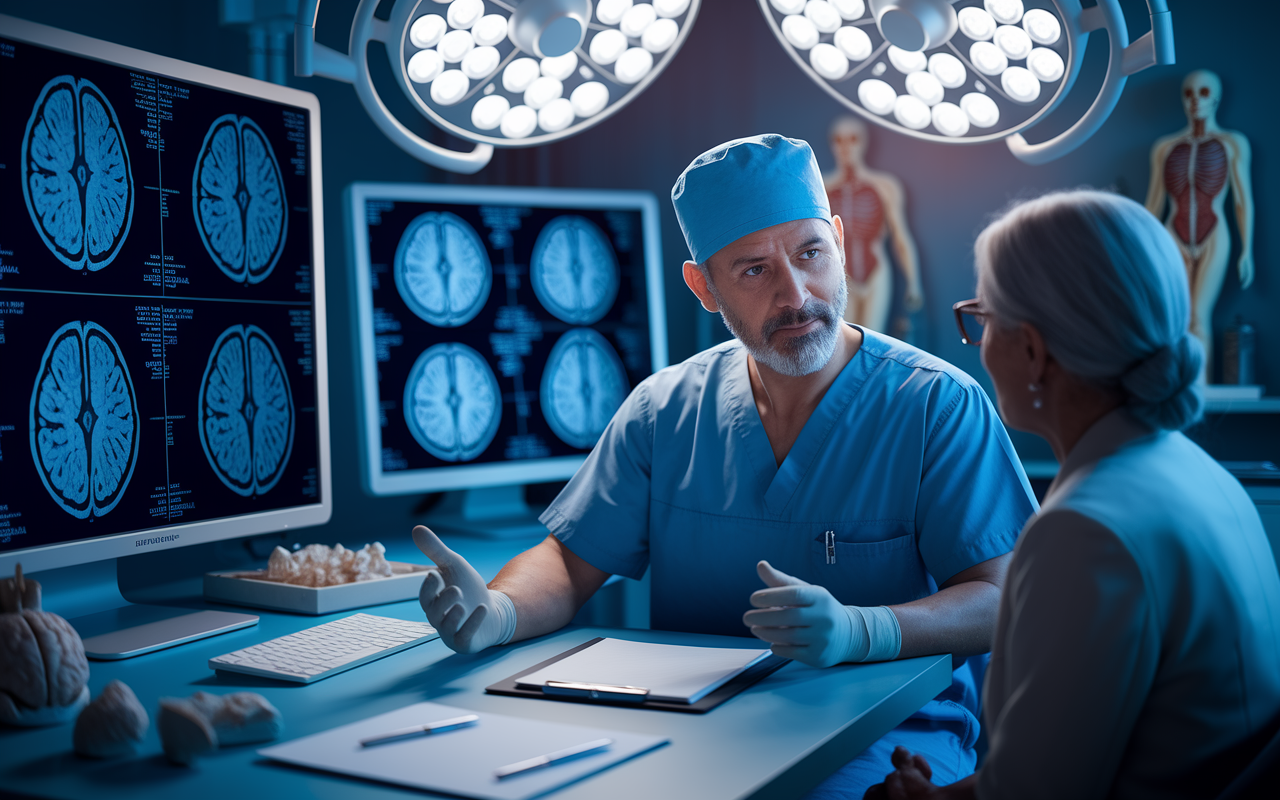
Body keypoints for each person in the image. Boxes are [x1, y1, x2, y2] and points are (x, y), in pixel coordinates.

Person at [413, 134, 1037, 796]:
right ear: (703, 286)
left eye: (810, 253)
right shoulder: (664, 411)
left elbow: (1005, 600)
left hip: (884, 745)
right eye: (754, 270)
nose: (796, 294)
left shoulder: (934, 405)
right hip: (691, 739)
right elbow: (569, 562)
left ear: (840, 245)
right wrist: (501, 611)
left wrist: (864, 630)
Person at [869, 190, 1280, 800]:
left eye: (982, 319)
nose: (978, 345)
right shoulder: (1199, 474)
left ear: (1033, 351)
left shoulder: (1085, 534)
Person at [1144, 69, 1253, 381]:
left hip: (1214, 232)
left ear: (1216, 98)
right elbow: (1153, 204)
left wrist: (1247, 250)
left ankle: (1199, 391)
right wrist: (1139, 248)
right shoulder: (1164, 147)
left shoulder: (1233, 143)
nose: (1195, 101)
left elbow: (1242, 201)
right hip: (1171, 233)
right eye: (1188, 94)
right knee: (1174, 319)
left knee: (1198, 317)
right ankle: (1177, 385)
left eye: (1203, 93)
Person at [825, 116, 924, 334]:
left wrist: (913, 283)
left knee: (872, 339)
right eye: (839, 140)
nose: (845, 147)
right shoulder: (822, 186)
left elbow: (900, 237)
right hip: (841, 274)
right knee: (841, 338)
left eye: (852, 139)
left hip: (877, 271)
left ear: (863, 143)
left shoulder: (885, 186)